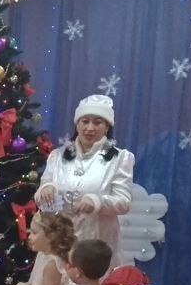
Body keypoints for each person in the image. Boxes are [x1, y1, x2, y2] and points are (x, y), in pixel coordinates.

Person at [34, 94, 134, 262]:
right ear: (77, 123)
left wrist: (96, 202)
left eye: (97, 122)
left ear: (107, 126)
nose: (90, 128)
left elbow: (123, 202)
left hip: (95, 247)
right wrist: (46, 190)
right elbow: (41, 199)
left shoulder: (120, 158)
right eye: (85, 121)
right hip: (58, 244)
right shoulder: (57, 156)